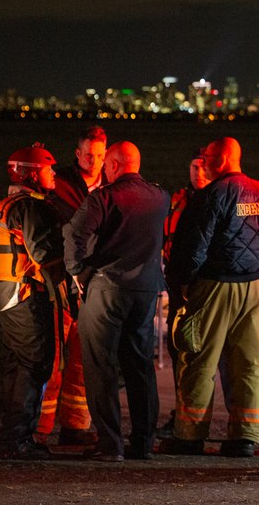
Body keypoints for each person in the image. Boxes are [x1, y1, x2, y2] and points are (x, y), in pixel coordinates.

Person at [166, 137, 259, 458]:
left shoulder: (210, 197)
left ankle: (190, 436)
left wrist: (183, 284)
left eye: (206, 158)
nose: (202, 163)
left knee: (198, 361)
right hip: (255, 290)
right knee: (251, 364)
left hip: (213, 287)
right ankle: (245, 438)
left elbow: (193, 247)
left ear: (220, 160)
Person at [64, 141, 169, 462]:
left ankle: (110, 445)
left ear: (113, 165)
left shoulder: (103, 197)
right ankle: (143, 443)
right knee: (140, 368)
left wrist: (78, 273)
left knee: (101, 366)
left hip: (108, 288)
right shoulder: (160, 197)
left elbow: (73, 235)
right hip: (146, 290)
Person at [35, 126, 107, 447]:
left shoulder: (113, 185)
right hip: (61, 282)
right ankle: (38, 425)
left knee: (83, 357)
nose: (95, 161)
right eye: (89, 155)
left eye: (101, 155)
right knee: (51, 355)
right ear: (78, 154)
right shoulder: (60, 182)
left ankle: (75, 426)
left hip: (97, 284)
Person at [0, 143, 63, 460]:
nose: (54, 173)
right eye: (48, 169)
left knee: (16, 363)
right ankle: (17, 438)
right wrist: (66, 291)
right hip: (25, 295)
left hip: (7, 294)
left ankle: (13, 434)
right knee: (35, 361)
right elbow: (45, 255)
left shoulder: (7, 204)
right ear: (32, 174)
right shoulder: (31, 208)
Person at [157, 152, 211, 438]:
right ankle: (182, 415)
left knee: (206, 354)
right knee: (179, 348)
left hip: (208, 285)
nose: (198, 173)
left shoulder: (217, 200)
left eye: (204, 168)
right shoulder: (178, 200)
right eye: (194, 167)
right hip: (177, 284)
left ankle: (199, 420)